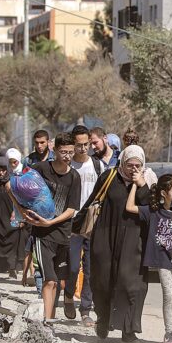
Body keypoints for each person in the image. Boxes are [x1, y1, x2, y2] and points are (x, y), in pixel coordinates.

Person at [84, 145, 152, 343]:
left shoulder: (146, 180)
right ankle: (103, 320)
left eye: (137, 165)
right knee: (103, 282)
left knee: (133, 285)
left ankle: (129, 330)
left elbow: (151, 209)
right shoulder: (109, 177)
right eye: (129, 165)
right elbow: (93, 200)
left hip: (134, 239)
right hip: (106, 236)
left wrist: (141, 185)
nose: (133, 169)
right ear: (122, 162)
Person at [22, 133, 81, 322]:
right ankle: (47, 322)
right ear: (54, 150)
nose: (67, 156)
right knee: (49, 280)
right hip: (42, 234)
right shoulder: (40, 169)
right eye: (63, 152)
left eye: (71, 152)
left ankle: (50, 320)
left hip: (63, 234)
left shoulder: (74, 176)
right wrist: (22, 212)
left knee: (59, 282)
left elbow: (71, 209)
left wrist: (52, 222)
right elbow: (20, 189)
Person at [126, 173, 172, 343]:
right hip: (163, 260)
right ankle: (169, 331)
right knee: (168, 294)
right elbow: (130, 207)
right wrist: (135, 184)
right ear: (164, 193)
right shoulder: (153, 212)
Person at [64, 125, 104, 326]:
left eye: (85, 144)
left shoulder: (98, 166)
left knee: (90, 269)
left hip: (92, 224)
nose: (82, 149)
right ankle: (69, 295)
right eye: (78, 145)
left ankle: (86, 310)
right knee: (72, 267)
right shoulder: (68, 166)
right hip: (71, 223)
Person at [0, 157, 26, 276]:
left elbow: (19, 200)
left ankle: (11, 267)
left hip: (10, 218)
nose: (1, 173)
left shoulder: (13, 181)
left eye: (3, 170)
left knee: (12, 241)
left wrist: (19, 215)